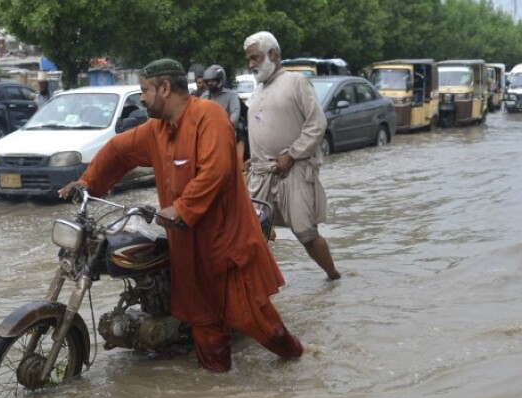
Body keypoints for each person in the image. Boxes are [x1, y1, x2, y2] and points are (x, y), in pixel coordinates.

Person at [58, 58, 303, 373]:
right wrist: (87, 183)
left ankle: (296, 358)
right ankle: (217, 390)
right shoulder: (156, 130)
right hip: (186, 249)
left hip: (225, 246)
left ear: (164, 87)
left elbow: (217, 170)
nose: (143, 98)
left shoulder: (208, 116)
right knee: (203, 325)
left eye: (145, 91)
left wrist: (183, 208)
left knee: (253, 319)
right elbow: (118, 151)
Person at [243, 31, 341, 281]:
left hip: (294, 169)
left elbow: (317, 124)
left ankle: (333, 277)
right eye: (249, 59)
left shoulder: (296, 81)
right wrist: (251, 160)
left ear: (272, 54)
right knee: (251, 232)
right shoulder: (258, 91)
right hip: (261, 173)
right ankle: (260, 289)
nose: (251, 64)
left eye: (255, 57)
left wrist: (293, 154)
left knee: (305, 231)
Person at [202, 64, 245, 164]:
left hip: (227, 135)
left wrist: (222, 127)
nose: (210, 83)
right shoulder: (204, 97)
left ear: (220, 80)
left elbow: (235, 114)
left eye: (213, 80)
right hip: (207, 137)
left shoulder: (231, 95)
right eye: (208, 81)